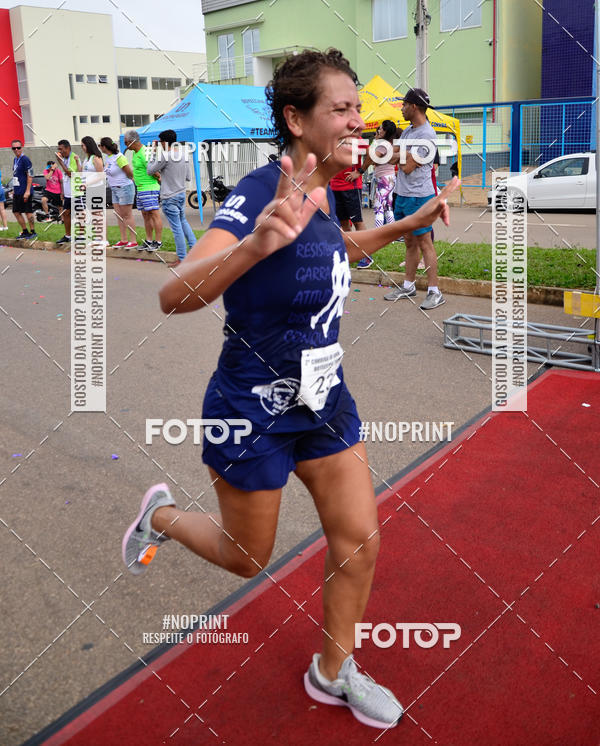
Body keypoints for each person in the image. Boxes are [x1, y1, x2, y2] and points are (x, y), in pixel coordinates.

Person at [122, 49, 459, 729]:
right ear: (296, 119)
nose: (357, 121)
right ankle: (157, 519)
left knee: (360, 539)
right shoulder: (259, 193)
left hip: (324, 398)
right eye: (341, 109)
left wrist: (404, 226)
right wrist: (251, 247)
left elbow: (332, 250)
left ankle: (331, 672)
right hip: (253, 406)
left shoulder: (326, 190)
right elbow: (171, 294)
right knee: (246, 558)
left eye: (358, 108)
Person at [383, 88, 445, 310]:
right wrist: (402, 155)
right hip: (402, 194)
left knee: (424, 242)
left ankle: (435, 291)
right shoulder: (408, 132)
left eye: (404, 105)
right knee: (409, 242)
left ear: (414, 107)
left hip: (420, 196)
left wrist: (401, 156)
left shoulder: (427, 135)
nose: (401, 109)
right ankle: (408, 285)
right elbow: (392, 157)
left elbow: (407, 168)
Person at [147, 129, 196, 266]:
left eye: (161, 141)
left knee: (177, 228)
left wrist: (153, 152)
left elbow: (150, 170)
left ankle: (182, 258)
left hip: (169, 196)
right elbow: (188, 177)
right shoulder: (183, 155)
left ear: (163, 142)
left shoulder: (165, 156)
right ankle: (195, 251)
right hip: (181, 193)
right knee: (183, 222)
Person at [348, 120, 396, 230]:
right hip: (387, 178)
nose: (378, 130)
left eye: (380, 128)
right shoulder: (385, 144)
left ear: (385, 131)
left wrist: (374, 142)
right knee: (387, 208)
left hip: (385, 179)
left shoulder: (383, 145)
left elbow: (373, 158)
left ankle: (378, 233)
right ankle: (394, 234)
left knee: (378, 207)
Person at [329, 153, 372, 268]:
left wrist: (359, 171)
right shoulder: (334, 139)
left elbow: (371, 154)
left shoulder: (355, 138)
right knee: (343, 224)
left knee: (358, 221)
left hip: (351, 187)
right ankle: (350, 254)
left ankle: (366, 255)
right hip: (334, 186)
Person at [124, 129, 163, 251]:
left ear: (132, 141)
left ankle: (158, 241)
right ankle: (149, 240)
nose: (125, 145)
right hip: (140, 188)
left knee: (154, 214)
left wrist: (159, 178)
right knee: (145, 215)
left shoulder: (145, 152)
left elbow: (154, 170)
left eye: (126, 143)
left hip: (149, 188)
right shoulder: (136, 153)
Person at [100, 137, 137, 248]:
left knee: (127, 215)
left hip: (124, 188)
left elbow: (129, 173)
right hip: (114, 189)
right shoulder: (108, 158)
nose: (100, 148)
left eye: (100, 145)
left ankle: (133, 241)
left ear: (104, 147)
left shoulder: (119, 157)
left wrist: (128, 181)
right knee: (119, 215)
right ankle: (123, 239)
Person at [54, 139, 81, 245]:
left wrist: (60, 161)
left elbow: (70, 174)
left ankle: (80, 236)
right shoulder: (65, 158)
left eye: (61, 149)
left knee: (78, 214)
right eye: (58, 149)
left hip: (76, 192)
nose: (60, 152)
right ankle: (68, 235)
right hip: (68, 192)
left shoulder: (73, 157)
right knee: (66, 213)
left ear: (68, 148)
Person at [10, 139, 36, 240]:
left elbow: (30, 175)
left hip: (25, 191)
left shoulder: (25, 159)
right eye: (14, 148)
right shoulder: (15, 160)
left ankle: (33, 232)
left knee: (28, 211)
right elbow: (17, 175)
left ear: (22, 147)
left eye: (18, 147)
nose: (16, 149)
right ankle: (25, 231)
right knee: (16, 211)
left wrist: (28, 191)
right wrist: (14, 189)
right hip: (17, 191)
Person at [0, 166, 9, 231]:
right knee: (2, 209)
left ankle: (0, 227)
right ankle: (5, 227)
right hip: (1, 189)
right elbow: (1, 179)